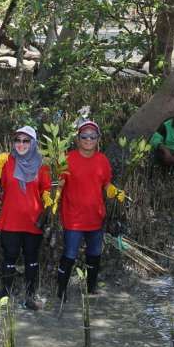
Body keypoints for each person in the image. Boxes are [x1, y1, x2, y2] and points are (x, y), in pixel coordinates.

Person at [55, 120, 125, 301]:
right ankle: (61, 292)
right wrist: (54, 198)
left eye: (92, 136)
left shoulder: (102, 160)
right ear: (78, 139)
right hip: (73, 218)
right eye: (84, 136)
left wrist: (113, 191)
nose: (88, 139)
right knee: (69, 255)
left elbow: (106, 183)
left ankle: (91, 289)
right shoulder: (67, 158)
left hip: (96, 216)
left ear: (98, 139)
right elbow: (60, 184)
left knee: (94, 255)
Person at [0, 125, 51, 310]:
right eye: (18, 140)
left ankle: (30, 296)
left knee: (32, 258)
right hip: (10, 219)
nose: (21, 144)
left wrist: (49, 198)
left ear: (33, 143)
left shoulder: (42, 164)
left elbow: (46, 188)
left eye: (26, 141)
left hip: (33, 220)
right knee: (9, 257)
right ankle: (5, 293)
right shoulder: (6, 161)